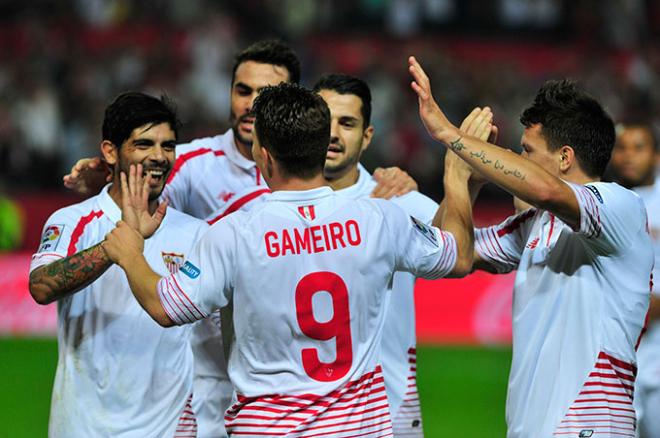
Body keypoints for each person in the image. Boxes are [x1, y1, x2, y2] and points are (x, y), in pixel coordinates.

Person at [63, 40, 420, 438]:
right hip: (211, 381)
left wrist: (402, 184)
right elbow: (137, 197)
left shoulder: (329, 177)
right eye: (242, 90)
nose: (251, 104)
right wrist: (108, 176)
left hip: (287, 385)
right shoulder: (189, 165)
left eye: (264, 95)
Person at [102, 82, 475, 437]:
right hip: (358, 429)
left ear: (261, 154)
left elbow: (166, 307)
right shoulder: (379, 219)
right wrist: (456, 176)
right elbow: (459, 257)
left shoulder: (233, 235)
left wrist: (130, 253)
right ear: (320, 147)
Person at [408, 56, 654, 437]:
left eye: (525, 151)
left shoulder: (621, 207)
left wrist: (448, 134)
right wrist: (462, 180)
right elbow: (449, 256)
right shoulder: (536, 224)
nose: (516, 159)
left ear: (564, 157)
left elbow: (544, 188)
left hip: (589, 423)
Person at [312, 73, 494, 436]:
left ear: (367, 137)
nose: (333, 133)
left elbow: (455, 251)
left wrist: (466, 181)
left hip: (391, 407)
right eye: (324, 121)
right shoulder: (279, 206)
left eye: (347, 123)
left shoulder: (401, 200)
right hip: (308, 412)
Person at [28, 92, 208, 437]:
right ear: (110, 151)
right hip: (83, 427)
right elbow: (41, 286)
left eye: (168, 146)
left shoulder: (197, 235)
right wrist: (115, 248)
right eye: (144, 144)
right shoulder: (73, 221)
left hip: (168, 429)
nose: (159, 157)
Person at [608, 121, 660, 438]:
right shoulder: (602, 201)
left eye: (639, 148)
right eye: (622, 147)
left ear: (656, 156)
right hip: (615, 351)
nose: (628, 156)